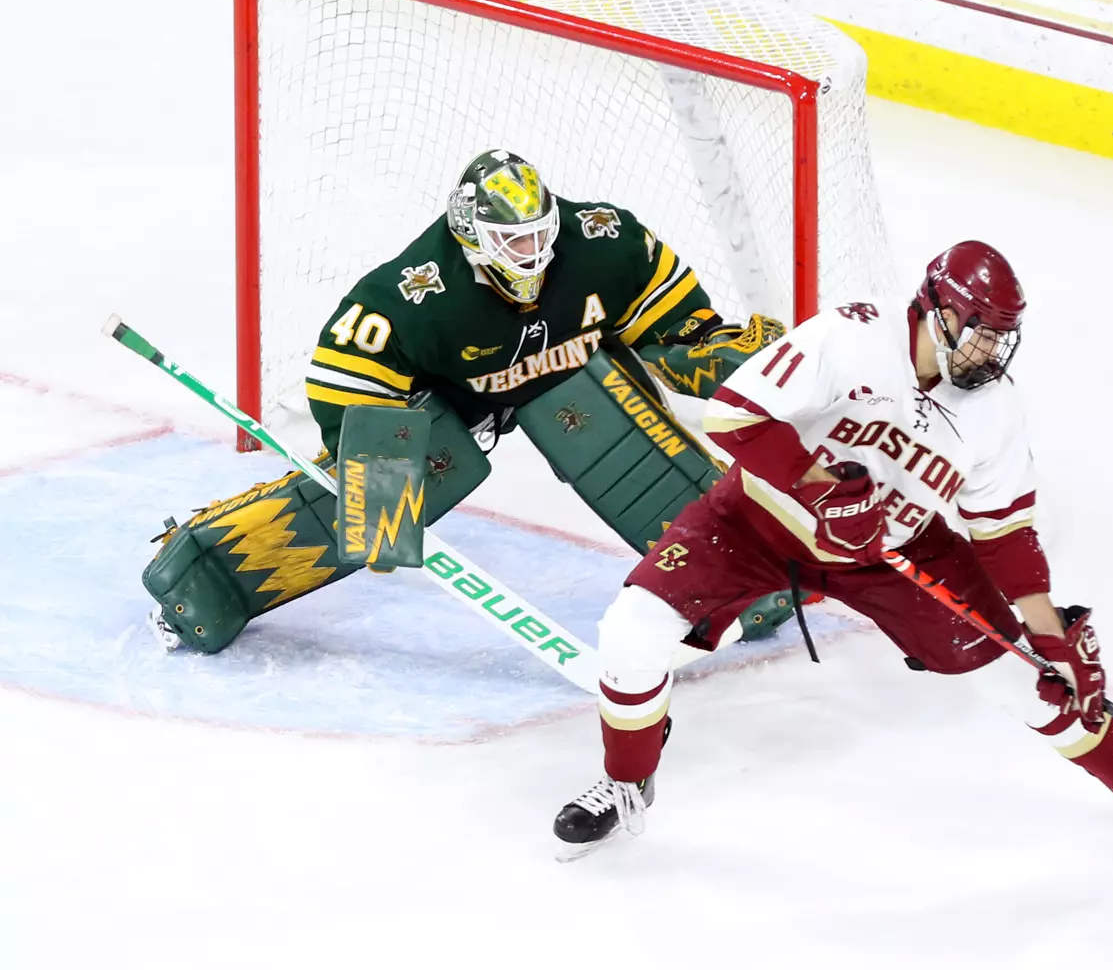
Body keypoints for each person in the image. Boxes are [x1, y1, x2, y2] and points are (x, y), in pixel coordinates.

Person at [552, 241, 1113, 859]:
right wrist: (820, 486)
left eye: (1002, 341)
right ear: (936, 312)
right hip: (753, 523)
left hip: (894, 552)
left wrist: (1046, 632)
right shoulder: (851, 338)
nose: (989, 355)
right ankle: (626, 780)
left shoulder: (996, 410)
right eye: (979, 336)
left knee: (1033, 681)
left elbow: (1004, 532)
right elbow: (735, 415)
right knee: (631, 632)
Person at [143, 148, 794, 655]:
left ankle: (735, 576)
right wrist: (374, 465)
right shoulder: (416, 294)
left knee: (607, 427)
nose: (535, 254)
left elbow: (665, 302)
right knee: (384, 500)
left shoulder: (602, 239)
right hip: (451, 404)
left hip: (559, 375)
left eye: (542, 234)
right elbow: (349, 367)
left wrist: (705, 350)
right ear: (472, 234)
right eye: (515, 242)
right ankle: (206, 574)